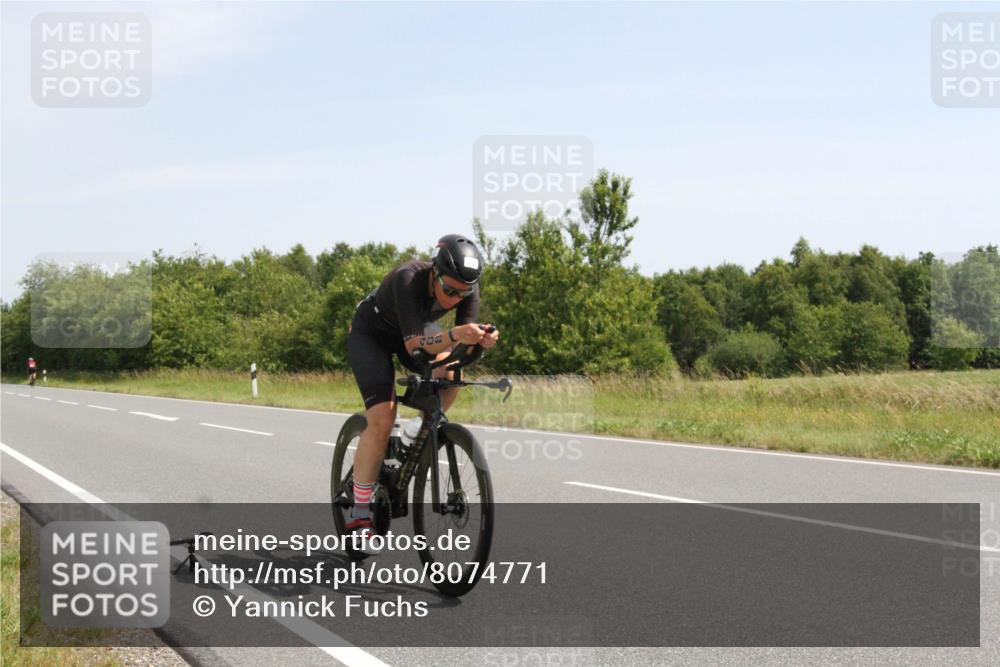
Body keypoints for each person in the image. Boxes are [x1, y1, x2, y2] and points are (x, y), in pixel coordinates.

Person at [345, 234, 499, 543]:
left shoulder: (467, 286)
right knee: (383, 417)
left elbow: (459, 350)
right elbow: (415, 345)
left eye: (463, 293)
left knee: (452, 374)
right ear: (434, 273)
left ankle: (414, 432)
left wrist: (480, 342)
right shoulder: (409, 277)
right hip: (372, 335)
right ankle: (359, 512)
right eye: (450, 290)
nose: (455, 298)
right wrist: (457, 333)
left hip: (414, 332)